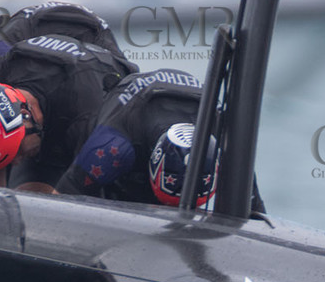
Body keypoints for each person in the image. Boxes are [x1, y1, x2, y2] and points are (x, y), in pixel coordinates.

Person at [0, 30, 134, 192]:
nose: (16, 162)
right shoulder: (5, 68)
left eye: (17, 151)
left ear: (26, 116)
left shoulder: (85, 109)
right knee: (27, 195)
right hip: (47, 120)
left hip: (102, 122)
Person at [55, 67, 215, 206]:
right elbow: (64, 196)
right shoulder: (113, 145)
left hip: (182, 103)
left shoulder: (220, 130)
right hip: (127, 106)